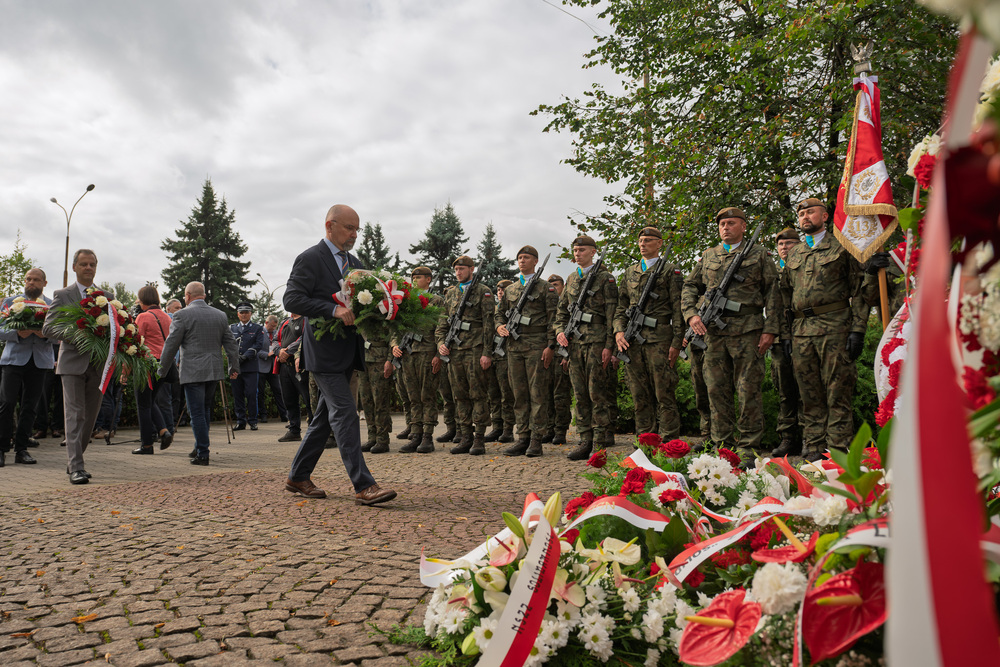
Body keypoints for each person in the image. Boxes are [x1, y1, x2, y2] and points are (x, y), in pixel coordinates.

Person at [283, 204, 397, 505]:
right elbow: (292, 298)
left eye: (357, 229)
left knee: (323, 419)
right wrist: (333, 309)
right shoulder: (310, 258)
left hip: (349, 352)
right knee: (345, 411)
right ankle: (363, 485)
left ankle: (298, 476)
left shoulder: (356, 263)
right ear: (329, 226)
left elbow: (363, 304)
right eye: (349, 228)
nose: (354, 234)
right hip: (322, 352)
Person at [682, 208, 781, 451]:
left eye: (731, 223)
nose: (725, 227)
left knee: (748, 392)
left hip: (748, 332)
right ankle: (722, 446)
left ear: (743, 227)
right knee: (716, 390)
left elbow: (773, 293)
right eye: (722, 224)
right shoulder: (708, 256)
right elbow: (689, 286)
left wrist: (771, 329)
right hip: (713, 335)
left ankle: (748, 447)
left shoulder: (758, 255)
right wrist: (691, 314)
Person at [780, 197, 867, 460]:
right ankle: (813, 447)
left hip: (835, 327)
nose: (805, 216)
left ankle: (838, 449)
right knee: (809, 393)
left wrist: (858, 329)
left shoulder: (843, 246)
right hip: (801, 331)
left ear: (825, 216)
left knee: (837, 391)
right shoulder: (794, 253)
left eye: (811, 211)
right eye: (802, 213)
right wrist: (785, 332)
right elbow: (784, 294)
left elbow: (860, 290)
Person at [614, 227, 685, 443]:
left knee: (664, 393)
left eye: (648, 240)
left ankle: (669, 442)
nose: (643, 244)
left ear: (659, 244)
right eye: (640, 240)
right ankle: (645, 440)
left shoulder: (670, 271)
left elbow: (678, 309)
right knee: (639, 394)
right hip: (632, 342)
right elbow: (620, 306)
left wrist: (676, 343)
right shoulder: (630, 272)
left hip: (660, 340)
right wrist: (618, 331)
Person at [157, 282, 239, 464]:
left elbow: (171, 345)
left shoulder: (181, 315)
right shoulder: (220, 315)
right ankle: (198, 446)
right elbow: (231, 343)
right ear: (203, 295)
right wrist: (233, 366)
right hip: (213, 369)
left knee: (197, 413)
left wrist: (161, 370)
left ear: (187, 295)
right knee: (205, 410)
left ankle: (203, 452)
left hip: (193, 370)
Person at [41, 249, 105, 484]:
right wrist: (77, 333)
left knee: (90, 418)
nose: (88, 268)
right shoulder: (63, 294)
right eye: (84, 264)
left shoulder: (106, 296)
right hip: (71, 363)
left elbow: (115, 330)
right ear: (75, 267)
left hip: (98, 365)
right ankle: (76, 466)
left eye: (92, 264)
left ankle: (75, 460)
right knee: (75, 414)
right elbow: (48, 329)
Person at [555, 236, 618, 460]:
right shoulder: (572, 279)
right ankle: (585, 439)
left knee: (596, 393)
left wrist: (610, 346)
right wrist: (559, 332)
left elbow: (613, 315)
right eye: (575, 250)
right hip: (575, 345)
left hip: (596, 342)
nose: (577, 253)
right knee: (580, 394)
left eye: (582, 250)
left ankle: (599, 442)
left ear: (593, 252)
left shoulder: (605, 278)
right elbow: (561, 313)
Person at [495, 245, 558, 457]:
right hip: (514, 346)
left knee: (537, 393)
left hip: (536, 345)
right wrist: (499, 326)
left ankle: (536, 439)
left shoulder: (545, 288)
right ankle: (522, 437)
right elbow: (499, 313)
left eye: (527, 257)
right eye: (520, 257)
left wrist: (550, 346)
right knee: (519, 394)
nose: (522, 260)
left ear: (535, 261)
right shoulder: (511, 289)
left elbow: (553, 319)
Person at [436, 255, 495, 455]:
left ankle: (479, 438)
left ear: (471, 269)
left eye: (462, 269)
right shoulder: (451, 293)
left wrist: (487, 353)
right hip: (455, 352)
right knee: (459, 395)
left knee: (477, 394)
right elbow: (442, 323)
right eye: (456, 269)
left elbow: (489, 325)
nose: (458, 272)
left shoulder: (483, 292)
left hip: (475, 349)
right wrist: (441, 343)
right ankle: (465, 436)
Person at [0, 268, 53, 466]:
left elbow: (61, 335)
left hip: (39, 361)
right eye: (28, 279)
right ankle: (1, 449)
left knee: (30, 407)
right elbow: (0, 329)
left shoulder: (51, 305)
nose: (31, 282)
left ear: (44, 283)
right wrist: (16, 333)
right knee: (6, 404)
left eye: (36, 280)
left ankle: (21, 450)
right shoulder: (10, 302)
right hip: (13, 359)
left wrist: (45, 334)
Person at [392, 266, 443, 453]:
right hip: (408, 354)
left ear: (428, 279)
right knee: (413, 397)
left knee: (427, 396)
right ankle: (416, 434)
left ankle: (427, 437)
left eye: (418, 277)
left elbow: (441, 328)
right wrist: (394, 345)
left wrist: (438, 354)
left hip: (427, 353)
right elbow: (396, 327)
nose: (414, 280)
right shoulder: (407, 301)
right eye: (412, 277)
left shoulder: (436, 301)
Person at [130, 284, 179, 455]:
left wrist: (125, 369)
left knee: (143, 404)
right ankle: (163, 431)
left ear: (142, 299)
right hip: (164, 364)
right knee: (150, 401)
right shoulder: (167, 317)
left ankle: (147, 445)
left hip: (147, 363)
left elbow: (135, 342)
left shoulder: (143, 317)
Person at [770, 227, 804, 457]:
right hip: (779, 337)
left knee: (806, 387)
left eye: (789, 243)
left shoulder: (804, 267)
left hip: (803, 331)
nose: (785, 248)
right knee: (784, 388)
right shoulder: (772, 271)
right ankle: (788, 438)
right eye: (781, 245)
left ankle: (809, 437)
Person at [229, 302, 267, 431]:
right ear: (238, 314)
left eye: (246, 312)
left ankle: (253, 420)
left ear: (250, 313)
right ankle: (240, 421)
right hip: (235, 367)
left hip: (250, 366)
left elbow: (258, 344)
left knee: (251, 394)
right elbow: (228, 345)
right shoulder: (232, 328)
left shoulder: (257, 328)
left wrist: (245, 356)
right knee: (237, 394)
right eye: (241, 312)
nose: (244, 315)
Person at [275, 313, 312, 442]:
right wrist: (279, 351)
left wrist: (288, 351)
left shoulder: (306, 320)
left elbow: (305, 337)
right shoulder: (285, 322)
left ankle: (313, 430)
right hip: (284, 366)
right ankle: (294, 430)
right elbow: (275, 340)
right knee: (289, 399)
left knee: (308, 399)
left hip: (300, 365)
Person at [547, 273, 572, 445]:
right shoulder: (546, 304)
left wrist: (567, 354)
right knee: (546, 394)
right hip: (547, 354)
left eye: (556, 285)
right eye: (551, 286)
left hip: (562, 354)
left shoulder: (568, 305)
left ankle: (561, 430)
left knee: (560, 395)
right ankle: (549, 428)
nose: (554, 289)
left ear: (562, 286)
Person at [358, 333, 394, 453]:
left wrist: (390, 360)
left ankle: (382, 439)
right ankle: (372, 437)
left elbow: (393, 334)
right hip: (363, 359)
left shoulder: (384, 314)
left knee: (380, 400)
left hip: (380, 360)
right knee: (366, 400)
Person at [492, 279, 516, 443]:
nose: (500, 291)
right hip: (493, 354)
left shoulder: (513, 309)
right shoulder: (494, 309)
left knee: (507, 394)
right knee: (493, 394)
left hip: (508, 355)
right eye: (499, 289)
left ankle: (508, 429)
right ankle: (496, 427)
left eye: (504, 289)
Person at [257, 314, 288, 424]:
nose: (273, 329)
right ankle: (263, 415)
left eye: (275, 326)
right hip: (261, 367)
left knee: (278, 390)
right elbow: (256, 350)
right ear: (266, 323)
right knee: (260, 393)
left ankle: (284, 414)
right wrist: (267, 354)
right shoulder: (259, 332)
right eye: (272, 326)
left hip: (274, 367)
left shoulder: (276, 333)